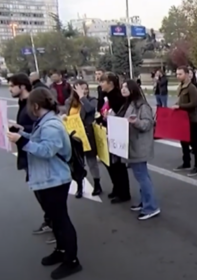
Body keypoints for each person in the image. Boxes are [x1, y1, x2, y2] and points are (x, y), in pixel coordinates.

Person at [7, 87, 82, 279]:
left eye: (30, 106)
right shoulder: (45, 122)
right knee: (55, 219)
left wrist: (22, 142)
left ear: (36, 106)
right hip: (49, 178)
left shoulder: (51, 125)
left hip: (55, 179)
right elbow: (38, 140)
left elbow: (47, 150)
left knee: (61, 219)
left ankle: (72, 260)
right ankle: (61, 250)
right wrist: (22, 134)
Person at [9, 73, 55, 243]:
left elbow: (41, 128)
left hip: (35, 154)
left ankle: (55, 226)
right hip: (27, 154)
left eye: (12, 86)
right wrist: (19, 129)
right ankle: (50, 221)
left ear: (22, 86)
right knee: (39, 192)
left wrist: (22, 132)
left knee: (45, 194)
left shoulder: (33, 105)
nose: (10, 89)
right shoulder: (23, 103)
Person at [118, 80, 161, 220]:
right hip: (132, 145)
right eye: (122, 87)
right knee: (141, 176)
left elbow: (148, 124)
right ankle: (145, 202)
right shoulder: (129, 104)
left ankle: (151, 207)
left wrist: (135, 122)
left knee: (142, 177)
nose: (123, 89)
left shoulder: (142, 106)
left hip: (140, 146)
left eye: (126, 87)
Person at [62, 80, 102, 198]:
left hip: (87, 134)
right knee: (77, 163)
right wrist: (64, 117)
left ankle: (97, 184)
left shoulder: (91, 100)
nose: (84, 91)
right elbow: (67, 115)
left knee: (91, 161)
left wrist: (82, 97)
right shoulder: (69, 102)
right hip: (74, 135)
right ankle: (79, 186)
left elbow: (90, 110)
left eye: (85, 88)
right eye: (80, 89)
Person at [97, 72, 131, 203]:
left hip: (116, 134)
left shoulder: (116, 96)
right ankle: (117, 188)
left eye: (103, 82)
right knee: (111, 164)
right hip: (108, 131)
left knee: (117, 165)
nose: (101, 84)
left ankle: (123, 192)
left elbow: (120, 115)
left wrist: (109, 117)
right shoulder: (106, 95)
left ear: (110, 83)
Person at [173, 66, 197, 176]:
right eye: (177, 74)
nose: (178, 76)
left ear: (186, 74)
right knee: (184, 143)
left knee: (195, 145)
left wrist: (179, 106)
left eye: (180, 74)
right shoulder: (181, 87)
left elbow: (194, 104)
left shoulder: (191, 88)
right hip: (182, 120)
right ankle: (186, 162)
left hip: (191, 120)